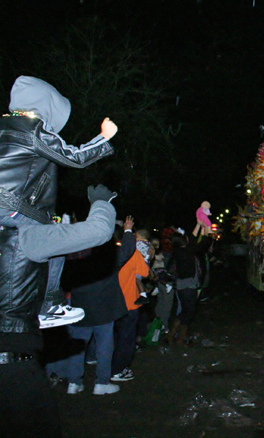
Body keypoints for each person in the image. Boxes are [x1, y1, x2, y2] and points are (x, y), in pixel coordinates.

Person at [0, 184, 117, 438]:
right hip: (12, 368)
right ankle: (50, 304)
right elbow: (98, 231)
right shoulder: (22, 236)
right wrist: (101, 201)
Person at [0, 76, 117, 329]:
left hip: (11, 210)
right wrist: (103, 138)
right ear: (45, 104)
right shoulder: (31, 128)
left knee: (54, 247)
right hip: (14, 209)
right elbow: (73, 157)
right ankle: (49, 305)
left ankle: (49, 305)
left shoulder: (5, 126)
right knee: (53, 241)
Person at [61, 216, 136, 396]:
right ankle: (101, 383)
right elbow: (126, 251)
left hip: (80, 305)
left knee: (78, 345)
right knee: (104, 345)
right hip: (103, 307)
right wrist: (127, 230)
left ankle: (74, 382)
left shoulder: (73, 254)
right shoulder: (105, 256)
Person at [110, 222, 152, 382]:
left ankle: (105, 366)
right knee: (126, 339)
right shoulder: (132, 253)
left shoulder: (106, 251)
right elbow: (145, 272)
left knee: (110, 337)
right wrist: (147, 257)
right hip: (128, 302)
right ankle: (118, 370)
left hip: (111, 302)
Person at [170, 229, 213, 345]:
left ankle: (172, 335)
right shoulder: (186, 251)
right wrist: (207, 232)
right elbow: (202, 244)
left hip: (182, 284)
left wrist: (200, 226)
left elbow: (196, 242)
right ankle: (179, 338)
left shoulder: (178, 251)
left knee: (185, 310)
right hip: (189, 284)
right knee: (189, 312)